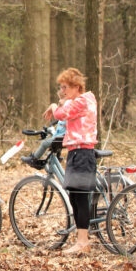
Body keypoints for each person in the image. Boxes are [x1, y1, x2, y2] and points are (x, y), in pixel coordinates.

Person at [43, 67, 98, 254]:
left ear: (76, 87)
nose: (62, 91)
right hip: (76, 153)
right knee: (74, 196)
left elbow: (61, 114)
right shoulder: (79, 101)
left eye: (65, 87)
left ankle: (83, 242)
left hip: (83, 153)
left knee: (81, 197)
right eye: (61, 87)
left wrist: (54, 106)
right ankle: (81, 240)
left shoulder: (83, 100)